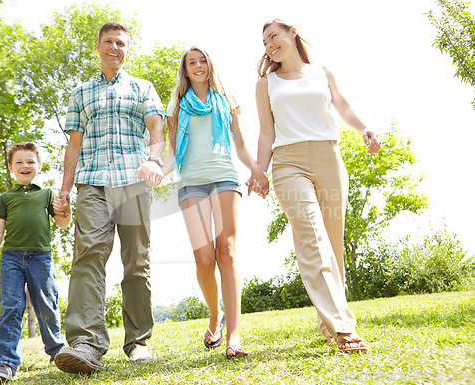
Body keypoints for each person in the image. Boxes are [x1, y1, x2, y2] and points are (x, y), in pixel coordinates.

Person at [249, 19, 381, 352]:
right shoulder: (266, 84)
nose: (269, 45)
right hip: (288, 162)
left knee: (332, 247)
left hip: (329, 156)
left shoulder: (322, 71)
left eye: (273, 37)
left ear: (292, 33)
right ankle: (343, 328)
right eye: (265, 42)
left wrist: (365, 128)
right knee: (312, 237)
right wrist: (260, 171)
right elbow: (266, 131)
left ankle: (328, 320)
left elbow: (343, 106)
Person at [53, 22, 165, 374]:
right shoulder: (81, 93)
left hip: (133, 181)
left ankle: (138, 341)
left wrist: (154, 159)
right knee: (87, 257)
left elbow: (156, 128)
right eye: (108, 42)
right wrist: (65, 189)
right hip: (91, 183)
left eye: (120, 43)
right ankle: (86, 344)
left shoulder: (142, 87)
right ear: (98, 46)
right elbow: (73, 145)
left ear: (126, 48)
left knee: (137, 261)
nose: (114, 47)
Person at [149, 46, 267, 358]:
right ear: (185, 70)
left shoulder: (227, 101)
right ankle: (215, 315)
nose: (199, 66)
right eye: (192, 63)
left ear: (209, 65)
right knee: (204, 258)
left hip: (224, 176)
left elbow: (240, 146)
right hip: (191, 181)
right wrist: (157, 171)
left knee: (225, 250)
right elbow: (174, 155)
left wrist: (256, 168)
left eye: (203, 61)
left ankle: (234, 337)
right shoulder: (176, 106)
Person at [0, 142, 70, 383]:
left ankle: (57, 352)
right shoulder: (5, 198)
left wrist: (66, 211)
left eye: (30, 161)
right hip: (11, 258)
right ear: (11, 167)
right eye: (19, 162)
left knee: (46, 303)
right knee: (11, 306)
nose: (25, 165)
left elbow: (62, 223)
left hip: (40, 257)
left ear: (39, 166)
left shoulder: (47, 193)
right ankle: (4, 362)